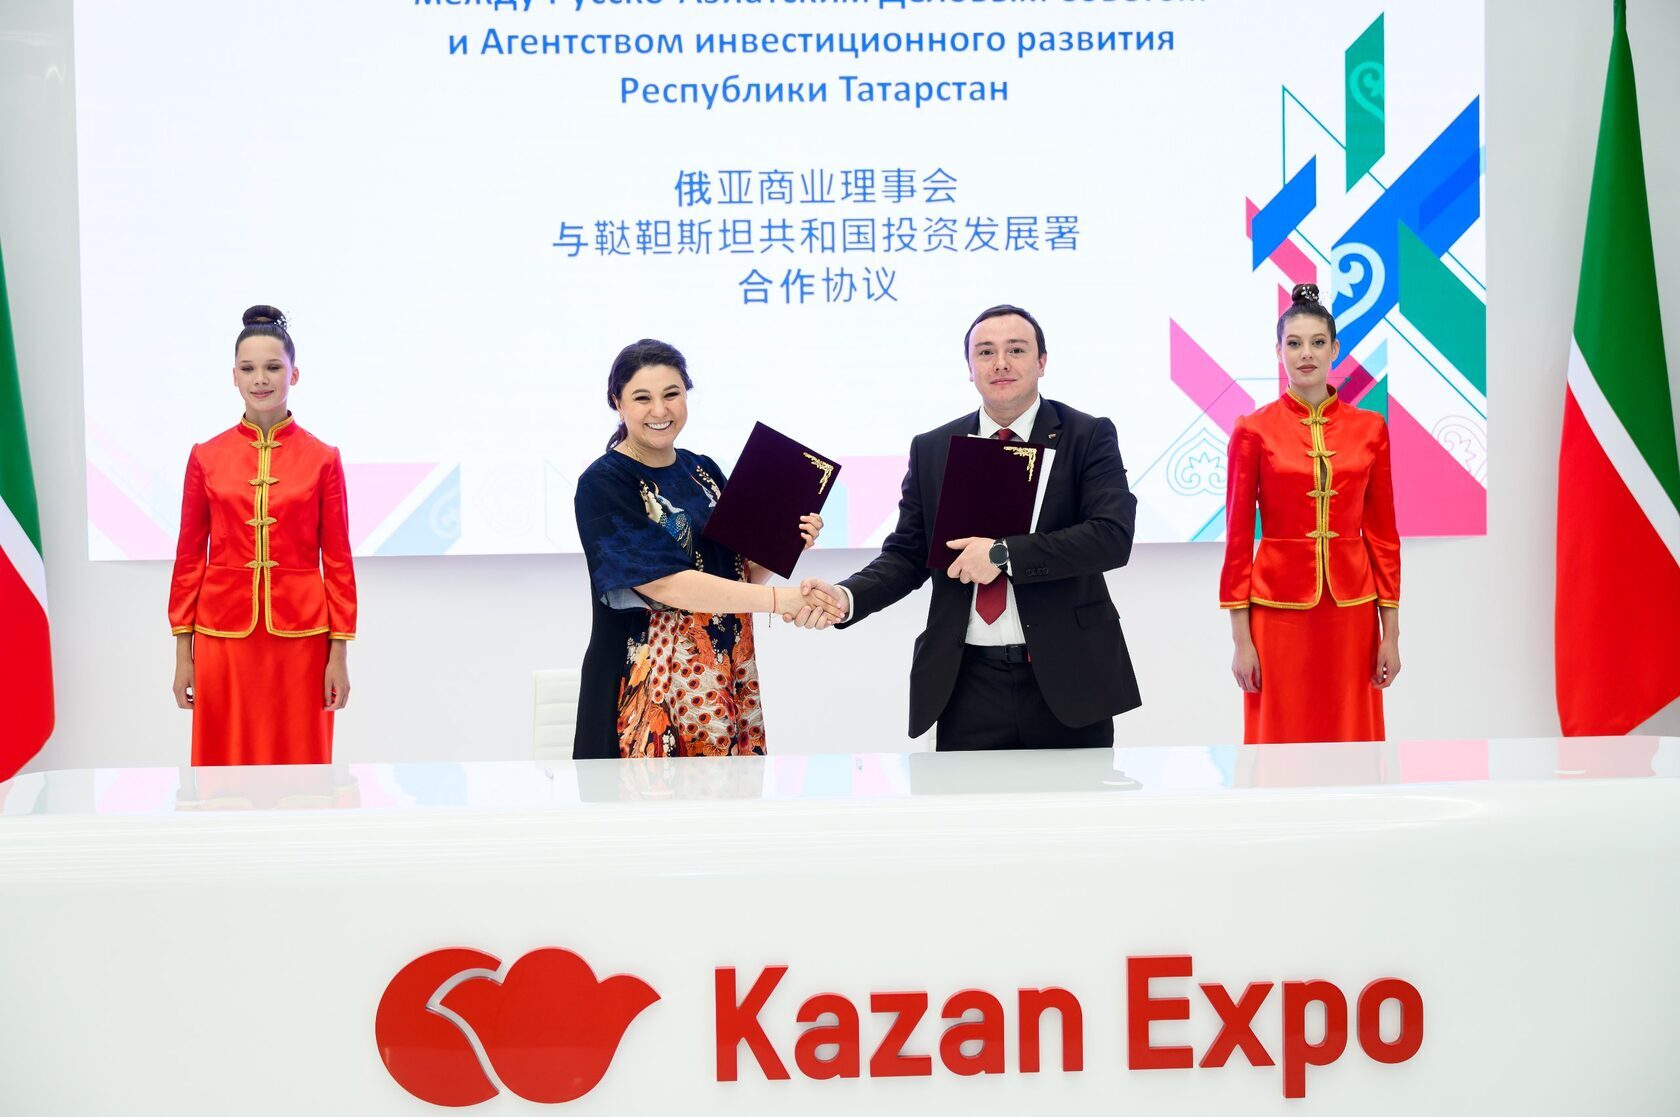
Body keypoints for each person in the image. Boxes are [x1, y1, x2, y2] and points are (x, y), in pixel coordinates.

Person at [795, 305, 1141, 749]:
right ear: (970, 368)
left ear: (1042, 362)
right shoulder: (933, 448)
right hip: (966, 683)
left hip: (1069, 678)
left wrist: (1002, 554)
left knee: (1076, 798)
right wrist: (847, 597)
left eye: (1016, 350)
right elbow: (908, 554)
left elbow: (1111, 536)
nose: (1001, 363)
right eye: (986, 352)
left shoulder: (1086, 435)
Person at [572, 339, 841, 759]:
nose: (659, 410)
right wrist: (782, 600)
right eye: (642, 398)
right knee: (649, 799)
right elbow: (665, 585)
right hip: (646, 685)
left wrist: (785, 545)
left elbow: (737, 575)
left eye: (672, 394)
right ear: (617, 403)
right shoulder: (604, 483)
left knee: (730, 798)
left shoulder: (704, 470)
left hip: (724, 671)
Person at [168, 305, 356, 765]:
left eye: (273, 367)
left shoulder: (323, 459)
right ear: (233, 376)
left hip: (302, 638)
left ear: (295, 374)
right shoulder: (206, 456)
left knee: (301, 760)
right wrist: (183, 655)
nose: (261, 379)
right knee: (223, 763)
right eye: (248, 368)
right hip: (222, 638)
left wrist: (339, 654)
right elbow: (189, 558)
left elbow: (337, 562)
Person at [1220, 283, 1401, 743]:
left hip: (1353, 612)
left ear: (1335, 349)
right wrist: (1241, 640)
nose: (1306, 354)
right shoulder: (1253, 430)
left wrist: (1391, 634)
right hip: (1276, 612)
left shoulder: (1370, 428)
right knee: (1280, 733)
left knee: (1351, 732)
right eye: (1294, 343)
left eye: (1318, 342)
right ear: (1278, 351)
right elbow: (1237, 541)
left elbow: (1383, 536)